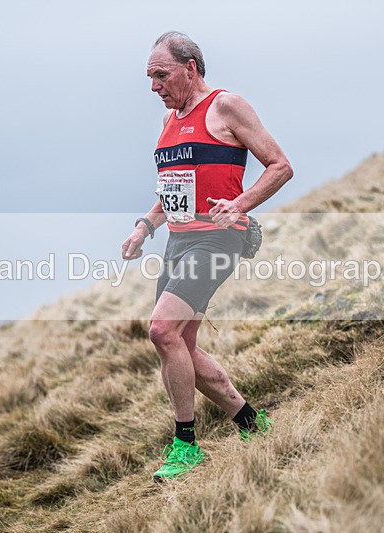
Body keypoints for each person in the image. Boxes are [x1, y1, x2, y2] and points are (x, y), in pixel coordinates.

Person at [121, 31, 293, 482]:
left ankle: (185, 445)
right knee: (183, 347)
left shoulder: (225, 106)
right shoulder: (168, 123)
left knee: (162, 331)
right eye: (149, 77)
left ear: (190, 67)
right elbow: (172, 191)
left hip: (218, 240)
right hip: (178, 241)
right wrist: (145, 226)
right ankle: (253, 424)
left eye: (161, 75)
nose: (153, 86)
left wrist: (240, 204)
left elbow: (280, 165)